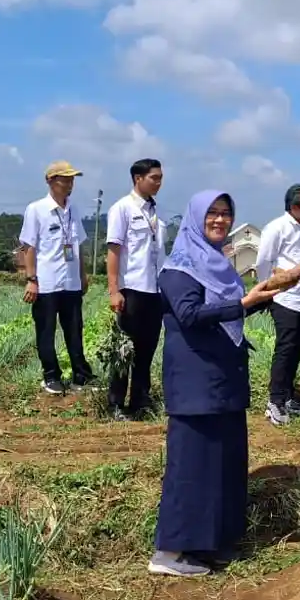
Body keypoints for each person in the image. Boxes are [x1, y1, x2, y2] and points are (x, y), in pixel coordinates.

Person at [149, 190, 289, 577]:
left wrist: (265, 296)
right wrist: (244, 304)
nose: (220, 220)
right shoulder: (178, 270)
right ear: (195, 218)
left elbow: (228, 311)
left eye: (226, 213)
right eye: (211, 213)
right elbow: (191, 314)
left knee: (222, 464)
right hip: (196, 381)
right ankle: (170, 552)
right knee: (191, 465)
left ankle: (211, 544)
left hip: (223, 379)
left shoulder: (220, 266)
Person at [20, 161, 94, 395]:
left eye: (72, 179)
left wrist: (83, 274)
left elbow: (79, 245)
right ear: (50, 181)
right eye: (65, 178)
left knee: (75, 330)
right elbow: (28, 247)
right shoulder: (36, 209)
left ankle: (80, 375)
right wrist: (32, 279)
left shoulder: (74, 209)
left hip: (71, 282)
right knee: (46, 331)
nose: (70, 183)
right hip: (47, 283)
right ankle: (51, 376)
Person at [104, 158, 167, 421]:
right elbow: (114, 251)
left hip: (155, 291)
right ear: (137, 179)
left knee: (147, 348)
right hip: (132, 289)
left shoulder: (155, 212)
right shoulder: (122, 209)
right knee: (125, 349)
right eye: (154, 177)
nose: (159, 182)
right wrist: (113, 289)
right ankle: (116, 404)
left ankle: (140, 400)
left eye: (161, 177)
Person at [256, 183, 300, 426]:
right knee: (285, 350)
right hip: (284, 298)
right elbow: (264, 261)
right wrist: (267, 291)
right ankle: (275, 402)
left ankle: (288, 396)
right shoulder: (277, 228)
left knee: (297, 349)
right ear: (295, 207)